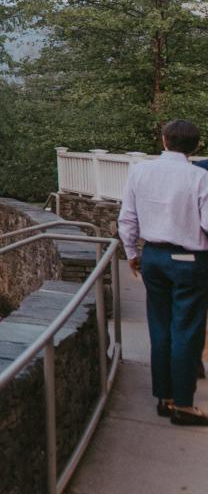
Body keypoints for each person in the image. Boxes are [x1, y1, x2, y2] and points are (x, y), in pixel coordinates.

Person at [119, 119, 208, 426]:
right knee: (186, 329)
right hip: (189, 259)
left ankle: (164, 398)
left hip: (153, 256)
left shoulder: (139, 171)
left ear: (164, 140)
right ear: (196, 146)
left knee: (160, 326)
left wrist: (132, 253)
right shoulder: (199, 177)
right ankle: (183, 404)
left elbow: (127, 218)